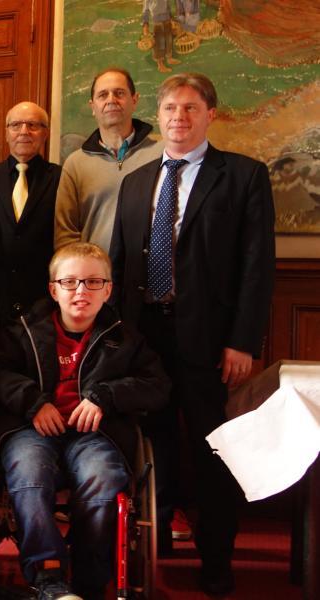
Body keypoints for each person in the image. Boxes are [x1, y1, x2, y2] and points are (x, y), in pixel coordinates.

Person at [110, 73, 275, 596]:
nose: (178, 117)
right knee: (148, 446)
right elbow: (118, 261)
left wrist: (243, 340)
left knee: (212, 450)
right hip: (144, 338)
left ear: (210, 115)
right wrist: (115, 339)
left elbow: (256, 266)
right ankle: (152, 544)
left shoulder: (243, 176)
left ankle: (217, 557)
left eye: (190, 108)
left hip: (210, 340)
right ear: (156, 116)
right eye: (170, 109)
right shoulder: (135, 181)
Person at [0, 242, 169, 600]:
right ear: (53, 289)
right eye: (70, 282)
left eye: (94, 282)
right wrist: (33, 402)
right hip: (31, 430)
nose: (81, 291)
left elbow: (157, 386)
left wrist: (106, 397)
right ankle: (48, 574)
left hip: (94, 435)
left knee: (105, 479)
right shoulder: (23, 330)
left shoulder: (124, 337)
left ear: (108, 289)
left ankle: (88, 575)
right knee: (29, 475)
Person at [0, 101, 61, 323]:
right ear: (6, 132)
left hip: (43, 297)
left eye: (33, 125)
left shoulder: (61, 178)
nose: (24, 131)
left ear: (45, 133)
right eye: (16, 125)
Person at [54, 68, 164, 253]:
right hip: (97, 276)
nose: (111, 100)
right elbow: (66, 233)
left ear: (134, 100)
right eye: (103, 95)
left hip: (148, 274)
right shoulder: (75, 164)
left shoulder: (162, 153)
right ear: (93, 107)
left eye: (119, 93)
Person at [142, 0, 181, 73]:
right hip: (157, 22)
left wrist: (172, 18)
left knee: (169, 39)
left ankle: (169, 58)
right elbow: (145, 10)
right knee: (159, 43)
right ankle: (160, 65)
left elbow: (167, 6)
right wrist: (145, 25)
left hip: (167, 19)